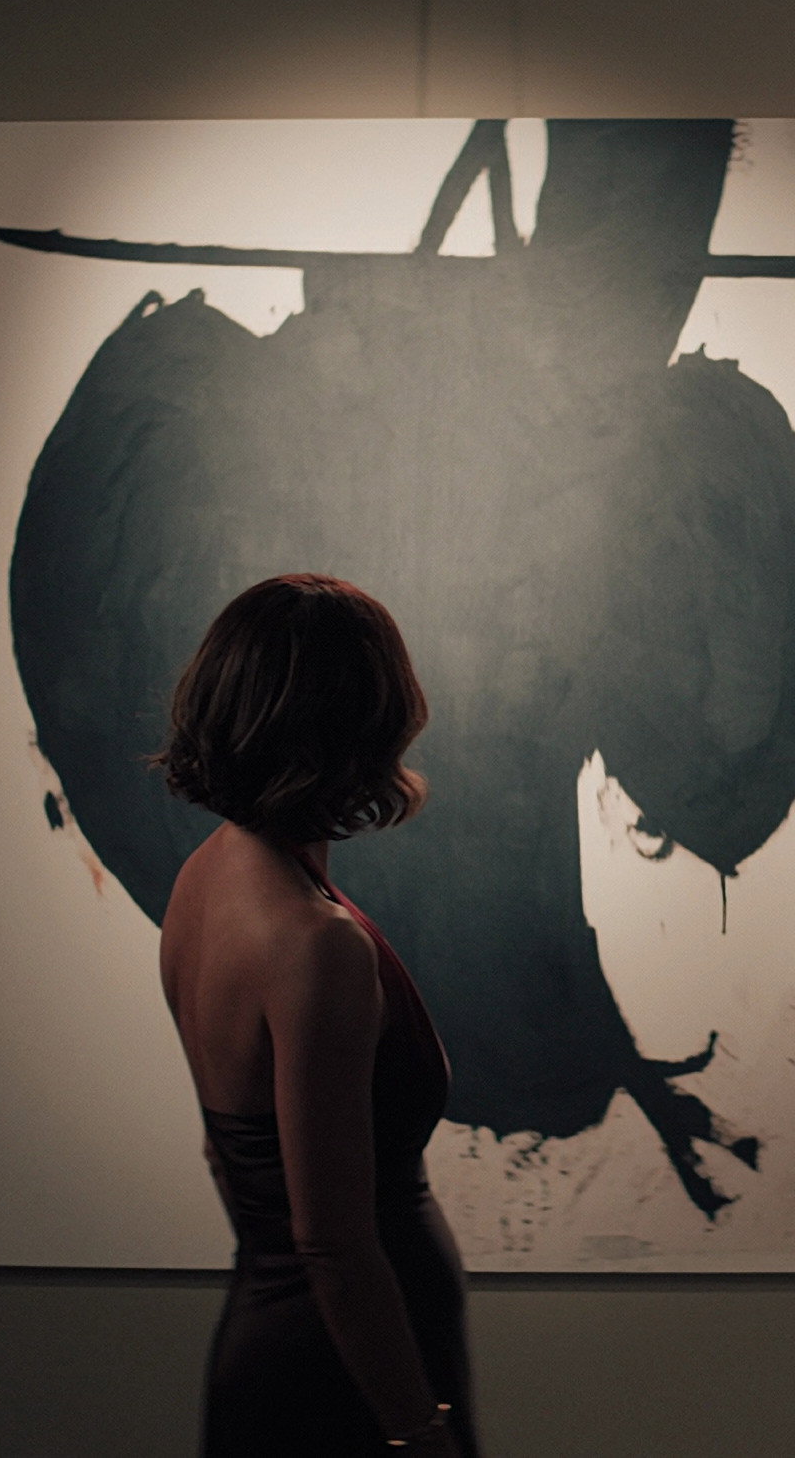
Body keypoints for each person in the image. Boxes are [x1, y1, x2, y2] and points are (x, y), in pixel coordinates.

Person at [154, 576, 476, 1458]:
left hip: (283, 1338)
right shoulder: (314, 944)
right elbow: (332, 1244)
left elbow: (229, 1155)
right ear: (361, 727)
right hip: (352, 1377)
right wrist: (414, 1430)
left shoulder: (203, 880)